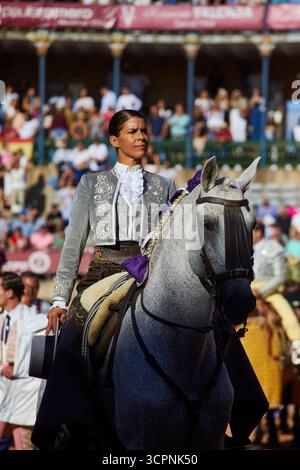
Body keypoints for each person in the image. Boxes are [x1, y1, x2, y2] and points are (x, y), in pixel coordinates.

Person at [32, 109, 176, 450]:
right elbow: (73, 244)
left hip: (151, 273)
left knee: (209, 326)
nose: (141, 136)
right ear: (115, 140)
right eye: (133, 131)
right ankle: (58, 422)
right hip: (103, 272)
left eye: (144, 130)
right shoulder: (90, 183)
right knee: (71, 340)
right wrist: (58, 299)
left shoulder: (165, 185)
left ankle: (228, 412)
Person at [0, 272, 48, 450]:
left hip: (22, 397)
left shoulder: (33, 318)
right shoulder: (4, 318)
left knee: (24, 446)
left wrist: (16, 368)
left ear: (9, 293)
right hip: (5, 393)